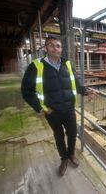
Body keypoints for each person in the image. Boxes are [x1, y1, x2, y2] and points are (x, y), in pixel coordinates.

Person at [21, 36, 91, 176]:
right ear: (46, 48)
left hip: (69, 108)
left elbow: (76, 85)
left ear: (61, 49)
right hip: (52, 111)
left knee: (72, 133)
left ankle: (71, 154)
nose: (55, 48)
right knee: (59, 136)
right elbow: (26, 91)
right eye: (51, 45)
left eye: (58, 45)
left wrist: (86, 91)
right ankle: (64, 159)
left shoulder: (68, 64)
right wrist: (41, 108)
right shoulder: (36, 66)